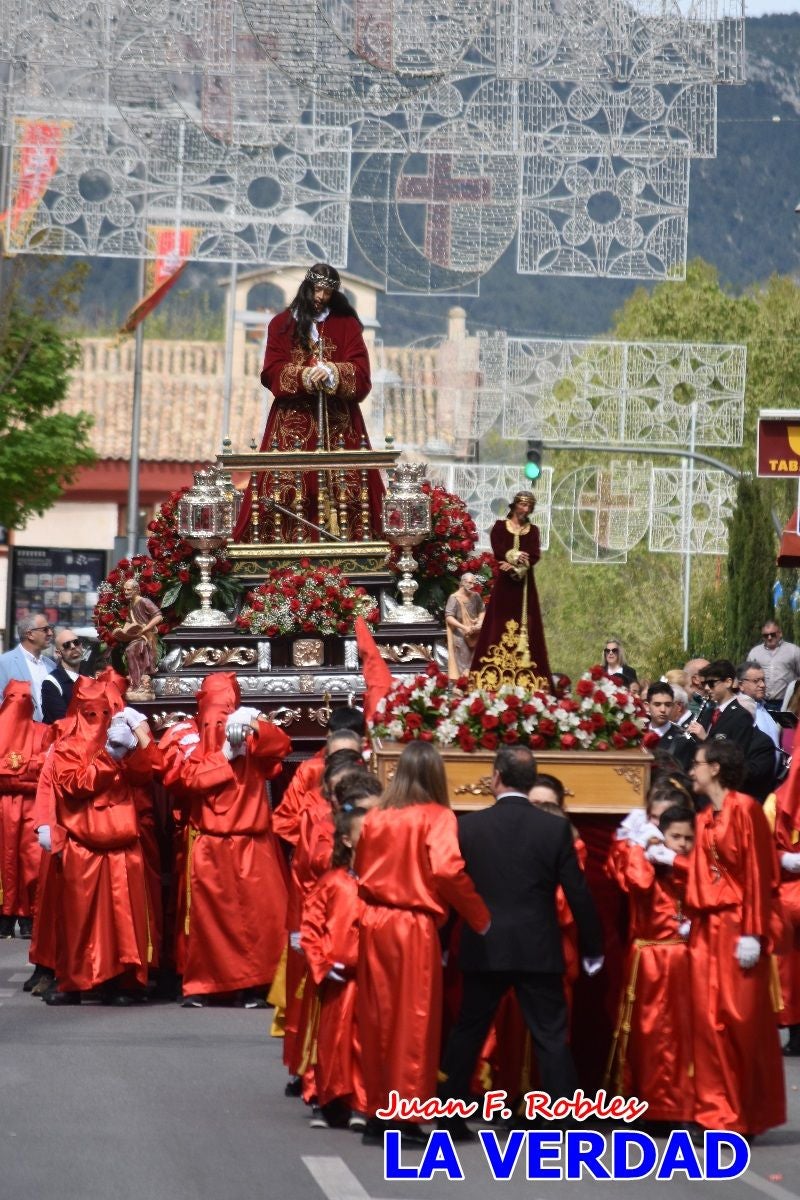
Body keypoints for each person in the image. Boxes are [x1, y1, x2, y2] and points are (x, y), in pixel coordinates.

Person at [439, 746, 603, 1140]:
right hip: (537, 946)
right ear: (531, 782)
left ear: (495, 778)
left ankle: (448, 1114)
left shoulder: (470, 826)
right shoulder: (554, 828)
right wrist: (593, 946)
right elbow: (578, 893)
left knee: (468, 1031)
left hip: (485, 942)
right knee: (550, 1035)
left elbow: (455, 889)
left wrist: (444, 939)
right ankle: (566, 1119)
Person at [356, 741, 490, 1145]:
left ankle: (378, 1108)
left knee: (378, 1016)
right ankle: (406, 1114)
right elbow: (448, 871)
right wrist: (479, 917)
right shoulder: (437, 816)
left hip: (375, 921)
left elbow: (360, 866)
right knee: (413, 1019)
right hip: (413, 924)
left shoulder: (377, 816)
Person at [233, 263, 383, 542]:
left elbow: (362, 374)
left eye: (327, 292)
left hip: (340, 423)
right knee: (285, 487)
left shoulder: (347, 324)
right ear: (306, 288)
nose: (321, 297)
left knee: (349, 490)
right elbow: (270, 372)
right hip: (292, 422)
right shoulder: (281, 324)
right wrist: (302, 375)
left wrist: (334, 372)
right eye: (317, 290)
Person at [169, 673, 291, 1007]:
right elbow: (189, 779)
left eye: (225, 718)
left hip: (253, 843)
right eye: (212, 721)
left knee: (262, 918)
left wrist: (256, 725)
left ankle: (262, 984)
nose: (219, 726)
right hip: (211, 843)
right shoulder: (198, 746)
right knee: (211, 924)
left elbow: (281, 748)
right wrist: (223, 754)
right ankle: (211, 985)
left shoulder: (252, 738)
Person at [685, 739, 786, 1135]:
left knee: (741, 1020)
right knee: (707, 1022)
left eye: (697, 764)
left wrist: (753, 932)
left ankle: (740, 1111)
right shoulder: (702, 816)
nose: (692, 770)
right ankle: (713, 1112)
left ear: (715, 767)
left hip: (738, 927)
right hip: (707, 931)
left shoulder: (744, 809)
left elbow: (760, 874)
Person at [48, 679, 157, 1005]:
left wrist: (135, 747)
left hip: (122, 843)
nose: (98, 720)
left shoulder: (121, 738)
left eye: (105, 713)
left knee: (123, 922)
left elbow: (148, 773)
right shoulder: (66, 747)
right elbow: (73, 784)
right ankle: (77, 981)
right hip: (83, 843)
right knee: (80, 920)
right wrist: (109, 757)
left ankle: (123, 982)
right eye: (91, 713)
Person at [605, 803, 696, 1125]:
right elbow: (638, 883)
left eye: (688, 838)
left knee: (683, 1036)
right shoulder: (645, 861)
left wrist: (677, 859)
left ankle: (679, 1105)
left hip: (686, 960)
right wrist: (641, 846)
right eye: (675, 837)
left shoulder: (690, 866)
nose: (682, 845)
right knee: (650, 1033)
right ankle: (646, 1102)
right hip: (652, 960)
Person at [469, 491, 551, 691]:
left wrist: (517, 566)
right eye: (523, 506)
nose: (525, 510)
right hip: (505, 586)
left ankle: (528, 677)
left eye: (529, 507)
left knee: (527, 624)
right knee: (498, 623)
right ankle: (491, 676)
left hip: (524, 586)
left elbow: (534, 555)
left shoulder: (533, 531)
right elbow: (498, 548)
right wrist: (511, 557)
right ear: (514, 506)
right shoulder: (499, 527)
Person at [0, 682, 54, 939]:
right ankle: (5, 914)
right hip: (4, 807)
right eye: (12, 697)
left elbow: (47, 769)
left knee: (32, 860)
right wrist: (27, 769)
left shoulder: (42, 731)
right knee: (4, 860)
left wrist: (12, 772)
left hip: (32, 805)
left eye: (24, 697)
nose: (18, 702)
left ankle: (30, 913)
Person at [110, 577, 163, 700]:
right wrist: (123, 632)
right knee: (130, 651)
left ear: (136, 590)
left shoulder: (144, 601)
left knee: (131, 651)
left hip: (146, 636)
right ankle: (135, 683)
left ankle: (137, 684)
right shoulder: (131, 604)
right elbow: (130, 622)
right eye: (125, 590)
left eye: (128, 590)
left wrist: (146, 628)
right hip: (136, 636)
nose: (126, 592)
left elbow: (158, 616)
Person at [0, 615, 56, 721]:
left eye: (50, 628)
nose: (50, 633)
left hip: (49, 734)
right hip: (18, 734)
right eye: (45, 629)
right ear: (30, 634)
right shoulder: (4, 663)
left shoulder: (51, 666)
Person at [748, 621, 800, 713]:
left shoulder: (794, 651)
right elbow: (748, 675)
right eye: (765, 635)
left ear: (780, 633)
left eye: (772, 634)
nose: (769, 637)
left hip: (787, 703)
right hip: (762, 704)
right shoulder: (755, 653)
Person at [41, 629, 91, 725]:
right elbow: (62, 722)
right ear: (59, 653)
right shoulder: (51, 683)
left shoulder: (89, 680)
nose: (73, 647)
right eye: (66, 645)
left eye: (76, 642)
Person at [445, 573, 485, 680]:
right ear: (462, 582)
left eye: (473, 583)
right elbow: (449, 617)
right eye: (469, 583)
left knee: (477, 658)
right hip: (460, 633)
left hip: (475, 632)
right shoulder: (454, 598)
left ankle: (474, 683)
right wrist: (464, 627)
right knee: (463, 660)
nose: (472, 586)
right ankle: (461, 684)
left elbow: (482, 611)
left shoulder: (475, 596)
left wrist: (479, 621)